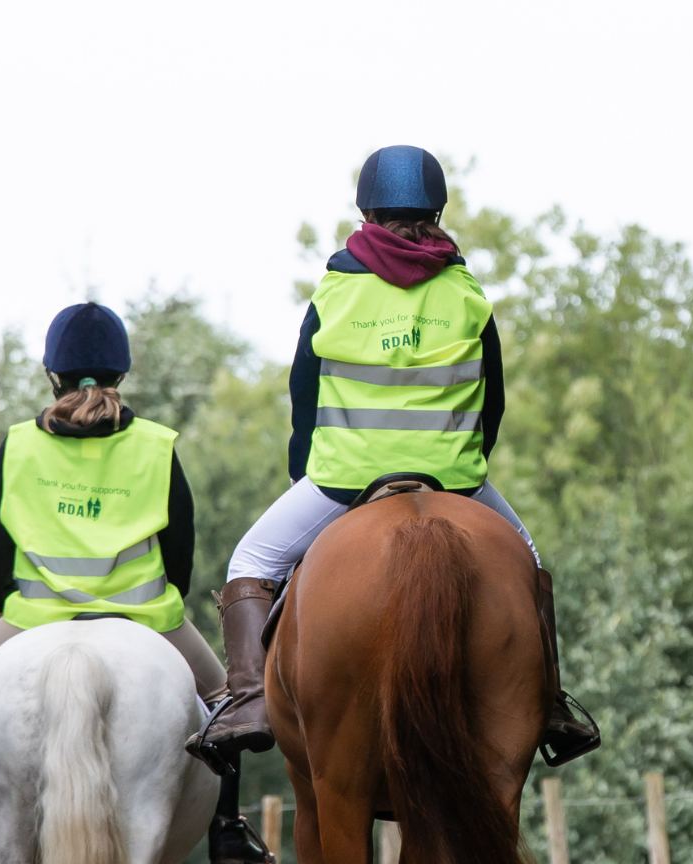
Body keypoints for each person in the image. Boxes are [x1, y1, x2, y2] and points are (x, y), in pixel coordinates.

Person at [189, 144, 601, 770]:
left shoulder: (335, 293)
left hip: (344, 479)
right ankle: (547, 706)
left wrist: (309, 471)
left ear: (365, 212)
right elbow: (492, 402)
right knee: (528, 561)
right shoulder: (466, 294)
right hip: (455, 479)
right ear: (436, 209)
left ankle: (247, 702)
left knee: (252, 558)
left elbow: (306, 400)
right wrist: (465, 463)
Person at [0, 302, 275, 864]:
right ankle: (229, 831)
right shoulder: (155, 444)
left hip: (37, 615)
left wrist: (8, 601)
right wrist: (162, 599)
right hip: (146, 614)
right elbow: (181, 547)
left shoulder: (21, 445)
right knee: (227, 698)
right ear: (120, 374)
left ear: (53, 374)